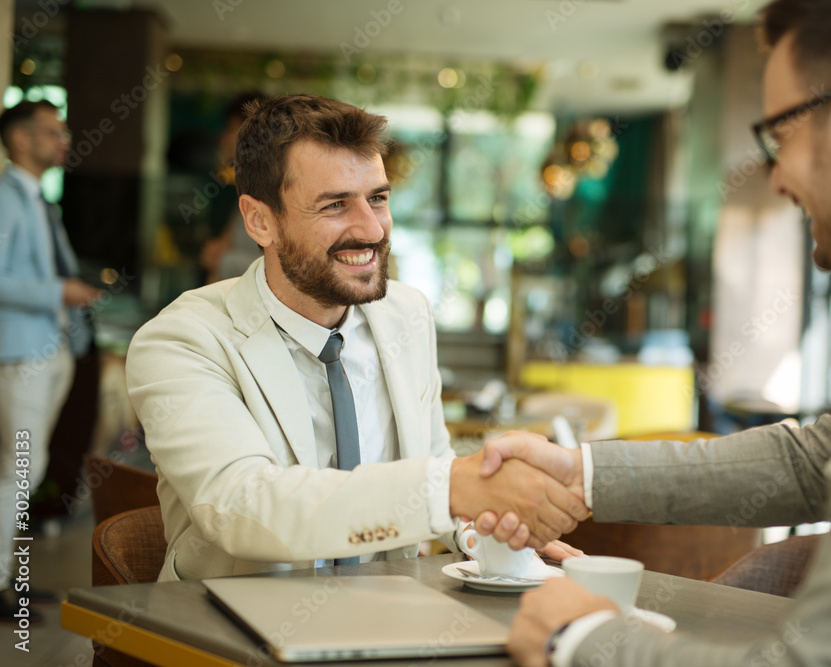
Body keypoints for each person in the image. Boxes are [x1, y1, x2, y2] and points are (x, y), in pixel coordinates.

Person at [484, 0, 831, 664]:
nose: (776, 177)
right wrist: (583, 472)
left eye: (779, 137)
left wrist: (579, 637)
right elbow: (815, 458)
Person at [124, 94, 586, 582]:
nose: (371, 229)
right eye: (335, 205)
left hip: (392, 620)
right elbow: (243, 505)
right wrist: (452, 486)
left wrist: (484, 535)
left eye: (378, 198)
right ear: (260, 221)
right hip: (231, 634)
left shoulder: (408, 313)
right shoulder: (180, 340)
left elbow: (431, 460)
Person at [0, 100, 102, 620]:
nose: (64, 139)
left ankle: (11, 580)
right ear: (19, 139)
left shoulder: (40, 200)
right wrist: (58, 290)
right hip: (21, 354)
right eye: (51, 131)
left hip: (51, 350)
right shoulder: (6, 197)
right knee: (19, 468)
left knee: (23, 467)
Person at [199, 91, 269, 283]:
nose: (224, 140)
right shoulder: (248, 187)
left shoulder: (270, 194)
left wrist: (222, 260)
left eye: (231, 129)